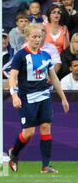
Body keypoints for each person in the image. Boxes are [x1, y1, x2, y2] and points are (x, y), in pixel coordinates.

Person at [8, 23, 69, 174]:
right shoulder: (21, 55)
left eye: (40, 37)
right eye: (34, 37)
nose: (37, 39)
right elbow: (13, 76)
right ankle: (14, 154)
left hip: (44, 96)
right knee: (28, 133)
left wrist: (63, 98)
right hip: (27, 98)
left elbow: (53, 78)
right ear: (27, 37)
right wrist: (14, 95)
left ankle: (45, 165)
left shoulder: (46, 56)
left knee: (46, 128)